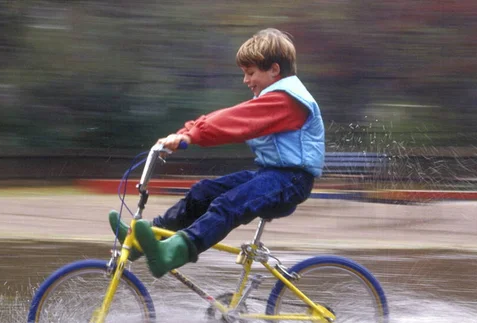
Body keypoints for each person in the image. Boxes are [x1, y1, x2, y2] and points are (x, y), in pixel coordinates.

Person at [109, 28, 325, 278]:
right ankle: (145, 240)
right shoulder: (274, 97)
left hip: (291, 181)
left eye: (251, 73)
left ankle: (174, 252)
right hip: (271, 174)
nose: (246, 80)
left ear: (274, 70)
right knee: (203, 192)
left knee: (228, 204)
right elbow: (232, 114)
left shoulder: (287, 100)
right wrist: (184, 133)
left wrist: (191, 135)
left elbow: (236, 120)